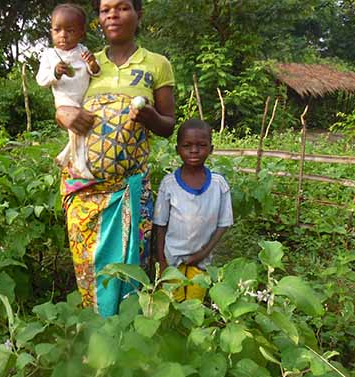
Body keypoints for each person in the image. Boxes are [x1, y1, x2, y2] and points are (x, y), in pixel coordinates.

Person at [55, 0, 176, 317]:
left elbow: (168, 125)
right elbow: (64, 103)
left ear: (139, 14)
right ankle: (96, 337)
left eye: (122, 7)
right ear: (98, 19)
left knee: (128, 271)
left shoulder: (157, 64)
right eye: (105, 9)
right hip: (85, 192)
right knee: (90, 269)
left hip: (128, 193)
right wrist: (63, 115)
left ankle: (127, 338)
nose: (112, 14)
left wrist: (149, 116)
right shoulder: (83, 61)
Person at [153, 119, 233, 301]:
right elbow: (160, 225)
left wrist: (203, 253)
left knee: (195, 304)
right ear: (177, 149)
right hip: (172, 260)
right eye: (187, 145)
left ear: (211, 149)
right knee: (173, 304)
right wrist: (162, 261)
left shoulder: (218, 185)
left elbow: (224, 224)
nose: (194, 151)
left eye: (201, 145)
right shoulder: (169, 184)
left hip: (202, 262)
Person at [36, 3, 100, 179]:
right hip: (66, 101)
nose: (63, 35)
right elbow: (41, 80)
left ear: (81, 33)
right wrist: (55, 73)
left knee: (87, 127)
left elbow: (95, 72)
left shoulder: (83, 51)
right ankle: (80, 165)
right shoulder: (49, 55)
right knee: (77, 129)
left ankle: (64, 156)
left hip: (84, 99)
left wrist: (93, 64)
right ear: (51, 31)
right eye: (57, 30)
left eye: (70, 31)